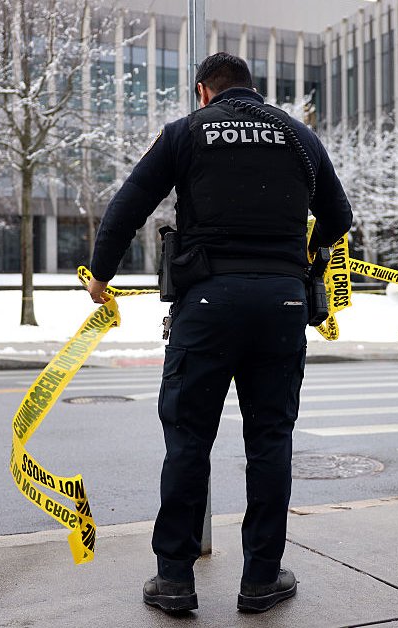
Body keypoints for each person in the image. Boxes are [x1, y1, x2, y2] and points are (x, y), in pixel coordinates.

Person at [86, 52, 352, 614]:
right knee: (270, 442)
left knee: (188, 440)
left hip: (206, 303)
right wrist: (305, 246)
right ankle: (261, 579)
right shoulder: (299, 136)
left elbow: (128, 205)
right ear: (252, 90)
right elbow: (338, 218)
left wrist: (101, 274)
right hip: (281, 303)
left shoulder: (186, 133)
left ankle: (175, 580)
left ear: (204, 92)